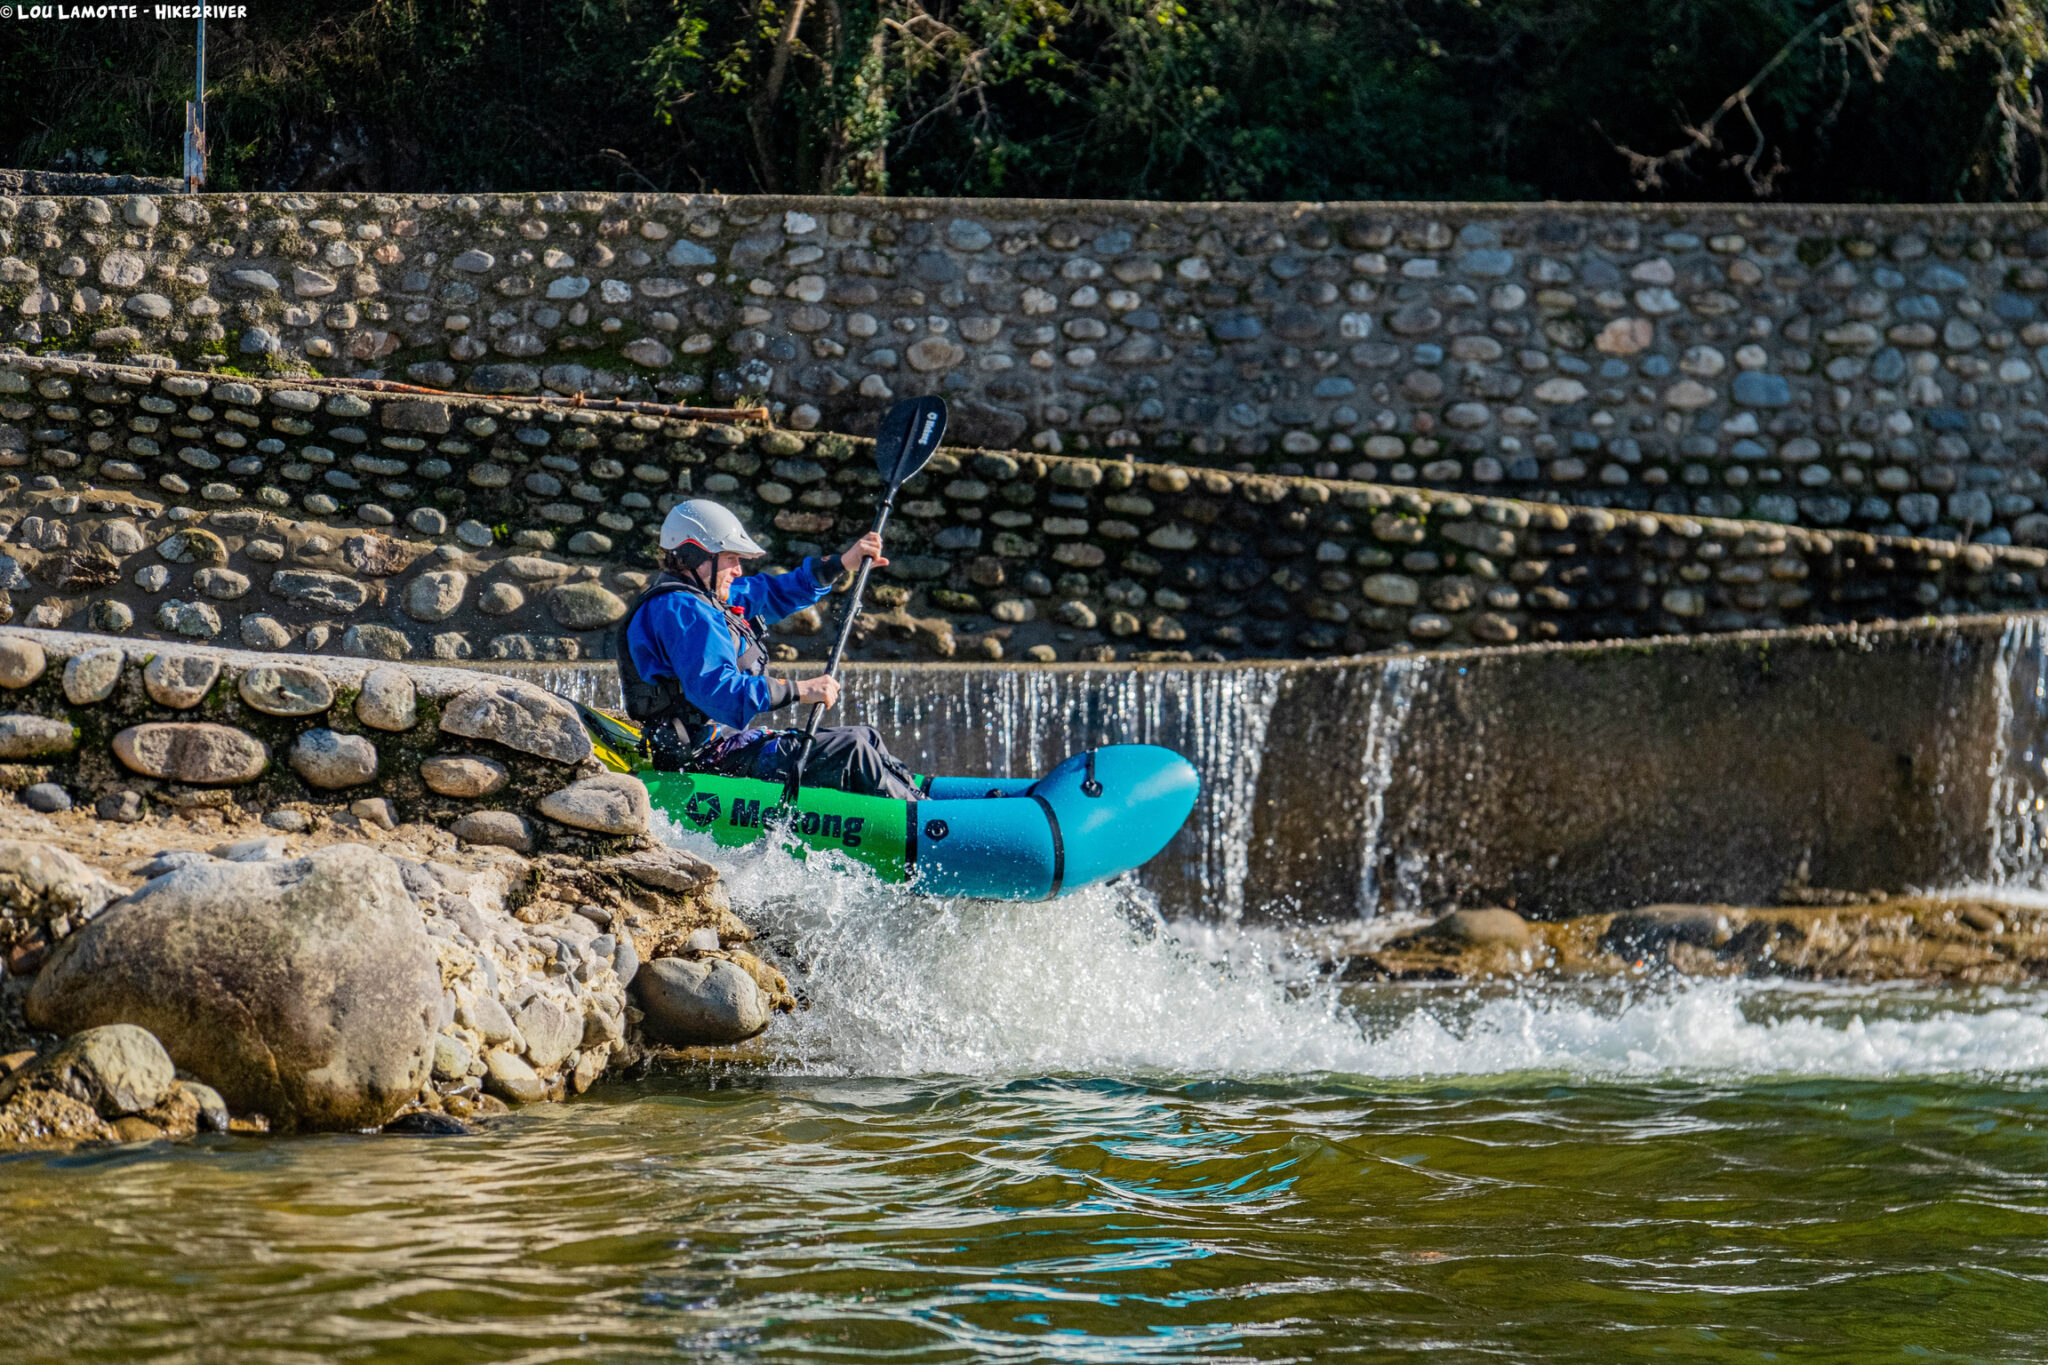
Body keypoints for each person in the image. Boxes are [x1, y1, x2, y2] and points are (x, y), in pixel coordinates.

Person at [616, 498, 925, 801]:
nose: (738, 569)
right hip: (702, 761)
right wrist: (798, 689)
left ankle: (919, 802)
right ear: (696, 555)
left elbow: (770, 593)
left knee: (863, 736)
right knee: (850, 750)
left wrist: (843, 563)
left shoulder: (705, 598)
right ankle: (924, 825)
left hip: (725, 745)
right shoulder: (681, 610)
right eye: (730, 558)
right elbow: (719, 691)